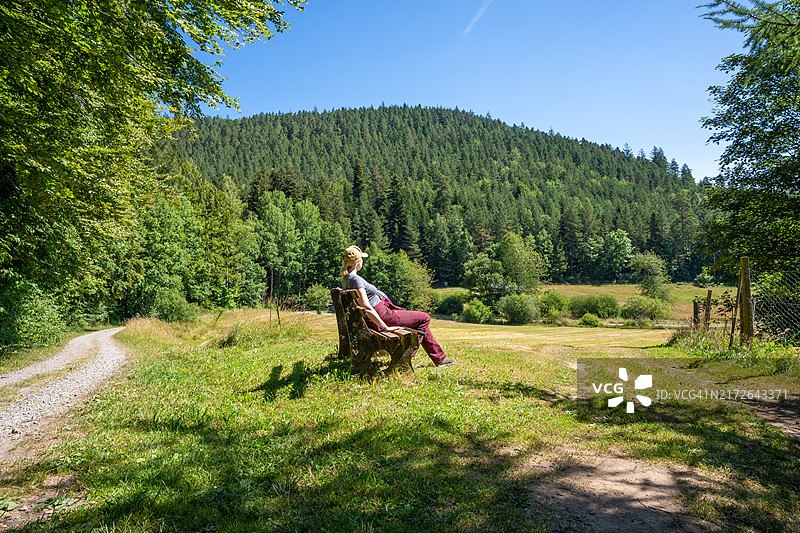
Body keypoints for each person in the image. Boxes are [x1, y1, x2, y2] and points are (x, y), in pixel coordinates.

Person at [340, 245, 455, 367]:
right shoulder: (355, 280)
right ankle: (407, 357)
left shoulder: (346, 279)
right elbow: (367, 307)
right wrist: (385, 327)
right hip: (384, 316)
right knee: (424, 318)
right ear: (358, 262)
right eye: (362, 259)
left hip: (381, 314)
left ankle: (440, 359)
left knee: (422, 325)